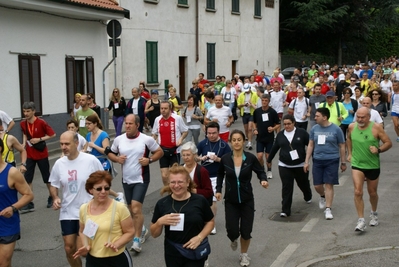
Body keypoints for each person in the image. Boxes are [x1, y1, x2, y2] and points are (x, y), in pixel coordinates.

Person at [106, 114, 163, 253]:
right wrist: (117, 159)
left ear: (137, 125)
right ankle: (142, 229)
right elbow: (111, 154)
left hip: (141, 179)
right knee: (131, 210)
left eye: (130, 123)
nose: (127, 126)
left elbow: (159, 152)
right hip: (127, 179)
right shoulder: (119, 139)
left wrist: (149, 160)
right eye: (126, 123)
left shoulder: (146, 139)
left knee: (136, 209)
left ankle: (136, 241)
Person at [49, 131, 104, 267]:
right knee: (69, 248)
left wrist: (100, 200)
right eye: (61, 144)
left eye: (67, 144)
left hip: (89, 212)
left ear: (76, 143)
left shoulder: (90, 160)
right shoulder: (59, 164)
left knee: (84, 251)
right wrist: (55, 197)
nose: (63, 147)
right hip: (68, 211)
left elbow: (104, 181)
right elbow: (53, 184)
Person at [216, 130, 268, 267]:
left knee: (246, 230)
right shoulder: (226, 158)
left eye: (239, 140)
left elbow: (260, 171)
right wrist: (218, 190)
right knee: (232, 230)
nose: (237, 142)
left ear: (244, 141)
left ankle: (244, 255)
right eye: (234, 140)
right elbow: (220, 174)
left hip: (247, 200)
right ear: (230, 142)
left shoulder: (250, 158)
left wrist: (263, 180)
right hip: (231, 200)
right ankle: (233, 238)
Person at [151, 164, 214, 267]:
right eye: (173, 182)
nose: (176, 185)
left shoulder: (199, 200)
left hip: (195, 250)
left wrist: (199, 237)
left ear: (188, 182)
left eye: (180, 182)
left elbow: (210, 222)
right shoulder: (162, 204)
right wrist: (159, 222)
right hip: (173, 252)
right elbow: (154, 234)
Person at [73, 171, 134, 267]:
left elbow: (130, 232)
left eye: (106, 188)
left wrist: (116, 244)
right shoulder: (84, 209)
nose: (103, 192)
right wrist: (85, 245)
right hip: (93, 260)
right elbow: (82, 231)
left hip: (117, 259)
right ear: (90, 190)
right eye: (98, 189)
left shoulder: (119, 208)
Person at [347, 107, 392, 232]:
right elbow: (349, 139)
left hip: (372, 164)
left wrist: (378, 150)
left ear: (368, 117)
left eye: (363, 117)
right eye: (358, 117)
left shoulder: (376, 127)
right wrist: (350, 154)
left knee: (372, 193)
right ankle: (361, 220)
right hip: (357, 164)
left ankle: (374, 212)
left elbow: (388, 142)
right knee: (357, 192)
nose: (360, 119)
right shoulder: (351, 127)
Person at [304, 108, 346, 220]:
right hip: (317, 159)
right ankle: (322, 196)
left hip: (332, 159)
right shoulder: (314, 129)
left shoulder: (336, 129)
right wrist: (306, 161)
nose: (315, 118)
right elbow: (311, 144)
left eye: (317, 116)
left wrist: (343, 161)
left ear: (324, 117)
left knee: (329, 184)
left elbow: (342, 145)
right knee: (317, 185)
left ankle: (328, 209)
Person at [267, 114, 312, 217]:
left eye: (289, 124)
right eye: (285, 124)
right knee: (287, 187)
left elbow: (310, 145)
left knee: (303, 184)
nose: (287, 126)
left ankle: (307, 195)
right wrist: (269, 159)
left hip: (300, 165)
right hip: (284, 165)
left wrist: (310, 160)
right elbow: (275, 148)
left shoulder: (302, 133)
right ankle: (285, 210)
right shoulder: (280, 135)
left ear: (294, 123)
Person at [0, 138, 33, 267]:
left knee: (3, 262)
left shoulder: (11, 172)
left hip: (7, 224)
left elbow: (29, 195)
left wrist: (13, 208)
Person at [20, 101, 56, 212]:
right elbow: (25, 133)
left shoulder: (41, 122)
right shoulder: (23, 123)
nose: (26, 114)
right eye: (24, 111)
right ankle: (29, 202)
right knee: (28, 178)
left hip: (41, 154)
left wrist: (39, 139)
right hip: (30, 154)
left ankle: (52, 197)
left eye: (28, 111)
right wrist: (23, 144)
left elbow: (52, 134)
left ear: (34, 111)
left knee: (47, 178)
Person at [197, 121, 231, 235]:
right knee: (201, 199)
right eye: (209, 133)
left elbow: (229, 162)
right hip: (203, 175)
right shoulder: (202, 143)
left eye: (214, 133)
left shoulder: (224, 145)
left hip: (217, 176)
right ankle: (202, 220)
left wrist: (218, 159)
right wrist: (201, 159)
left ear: (218, 132)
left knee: (212, 200)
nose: (211, 135)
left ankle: (211, 223)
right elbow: (194, 156)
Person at [85, 114, 123, 202]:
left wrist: (94, 146)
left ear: (95, 124)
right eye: (86, 124)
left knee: (101, 184)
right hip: (92, 162)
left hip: (103, 161)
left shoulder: (103, 135)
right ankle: (116, 196)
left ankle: (113, 198)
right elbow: (86, 148)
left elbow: (106, 151)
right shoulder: (88, 135)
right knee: (94, 184)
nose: (87, 125)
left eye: (89, 123)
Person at [152, 101, 188, 185]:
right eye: (161, 108)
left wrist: (181, 139)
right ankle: (168, 192)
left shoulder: (177, 118)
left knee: (175, 175)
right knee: (164, 176)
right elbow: (154, 134)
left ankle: (175, 192)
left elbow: (185, 131)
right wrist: (152, 142)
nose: (163, 110)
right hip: (162, 151)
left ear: (170, 109)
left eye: (165, 108)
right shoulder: (157, 119)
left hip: (175, 151)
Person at [253, 94, 280, 179]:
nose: (264, 102)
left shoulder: (272, 112)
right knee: (260, 156)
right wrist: (254, 129)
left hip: (269, 138)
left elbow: (278, 124)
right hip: (260, 138)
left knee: (268, 157)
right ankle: (262, 169)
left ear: (268, 101)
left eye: (266, 101)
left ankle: (269, 170)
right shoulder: (257, 111)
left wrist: (273, 128)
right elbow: (254, 122)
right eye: (263, 100)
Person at [237, 84, 258, 150]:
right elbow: (238, 105)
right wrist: (243, 104)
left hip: (252, 113)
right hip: (244, 113)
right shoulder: (241, 95)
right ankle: (248, 138)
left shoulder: (254, 94)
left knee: (249, 128)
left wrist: (251, 104)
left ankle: (249, 142)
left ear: (250, 88)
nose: (246, 91)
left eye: (247, 90)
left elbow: (257, 104)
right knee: (246, 129)